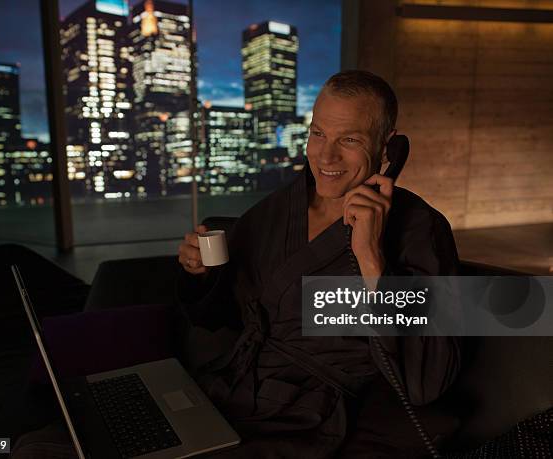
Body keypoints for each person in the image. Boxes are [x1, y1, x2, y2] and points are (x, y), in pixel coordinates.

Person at [176, 70, 461, 457]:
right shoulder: (276, 211)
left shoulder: (419, 228)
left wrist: (371, 259)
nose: (326, 156)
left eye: (350, 139)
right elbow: (225, 316)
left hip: (308, 422)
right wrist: (200, 275)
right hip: (228, 391)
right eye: (317, 133)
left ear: (386, 149)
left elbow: (429, 379)